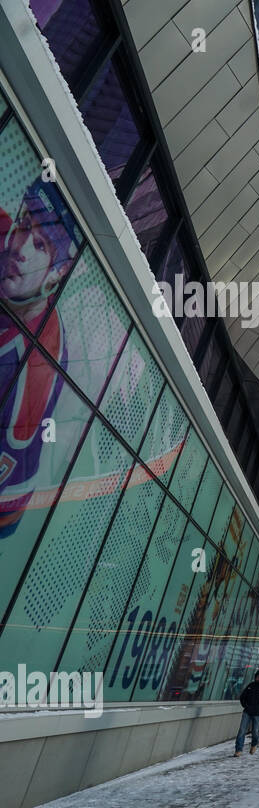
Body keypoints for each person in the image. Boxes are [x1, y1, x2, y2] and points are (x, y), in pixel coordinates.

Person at [0, 179, 82, 539]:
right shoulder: (11, 257)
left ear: (57, 272)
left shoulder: (33, 370)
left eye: (40, 244)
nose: (20, 248)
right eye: (24, 227)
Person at [234, 669, 259, 756]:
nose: (258, 678)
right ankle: (238, 750)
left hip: (258, 713)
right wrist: (245, 705)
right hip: (247, 712)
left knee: (255, 732)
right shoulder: (251, 685)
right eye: (257, 676)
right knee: (241, 731)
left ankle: (254, 745)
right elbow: (242, 696)